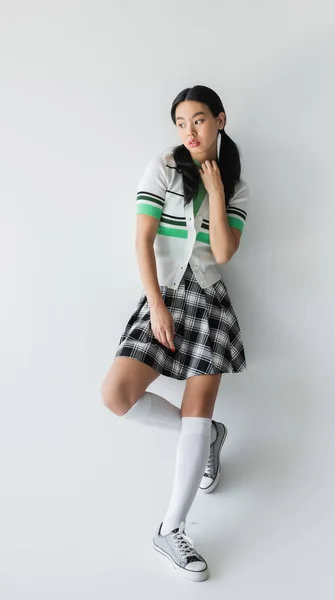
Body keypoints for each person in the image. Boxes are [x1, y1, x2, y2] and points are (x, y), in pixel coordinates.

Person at [101, 85, 249, 582]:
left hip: (209, 301)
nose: (189, 131)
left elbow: (224, 253)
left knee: (196, 410)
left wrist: (218, 191)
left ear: (220, 120)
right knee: (117, 394)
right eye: (181, 122)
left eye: (199, 120)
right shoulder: (162, 166)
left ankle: (171, 529)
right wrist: (157, 306)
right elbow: (142, 240)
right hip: (163, 293)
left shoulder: (236, 184)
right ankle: (209, 440)